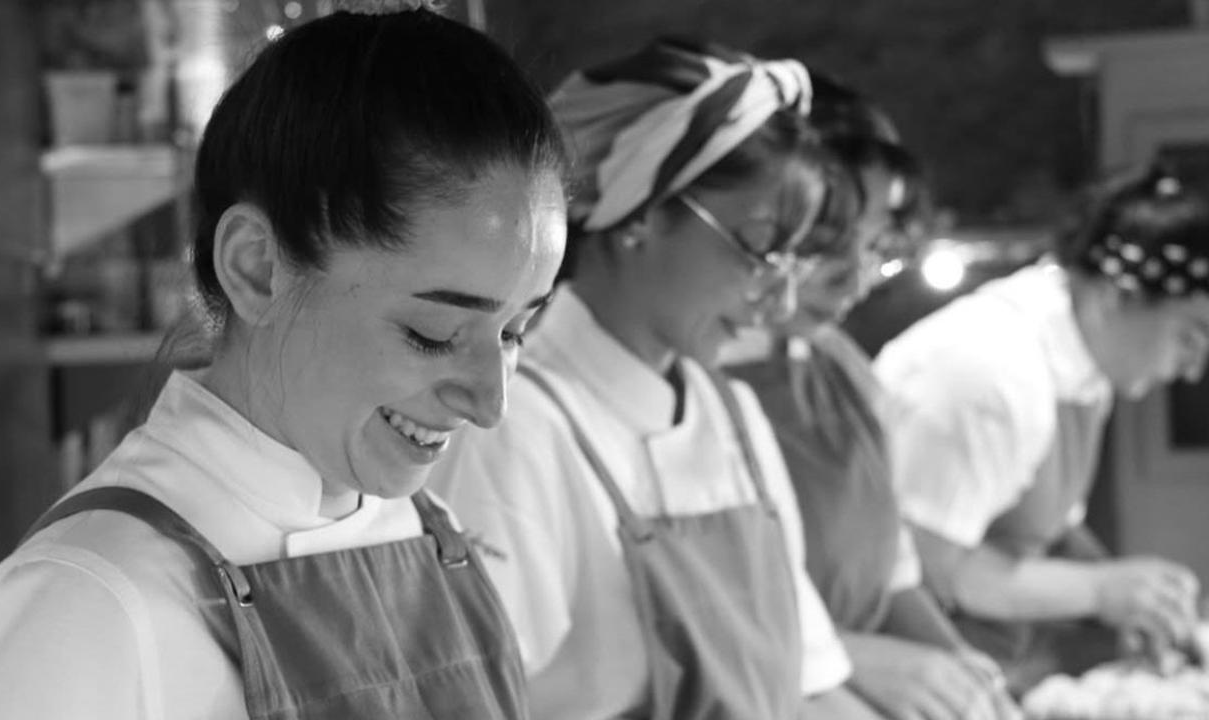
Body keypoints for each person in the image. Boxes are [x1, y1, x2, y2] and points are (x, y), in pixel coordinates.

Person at [0, 5, 568, 719]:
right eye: (433, 332)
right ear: (257, 268)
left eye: (515, 331)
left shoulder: (433, 536)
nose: (491, 404)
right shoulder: (82, 614)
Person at [430, 37, 882, 719]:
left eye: (793, 260)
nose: (779, 299)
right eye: (758, 249)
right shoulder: (515, 425)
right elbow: (483, 700)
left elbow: (803, 684)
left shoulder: (735, 416)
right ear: (641, 214)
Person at [726, 72, 1019, 720]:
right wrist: (841, 659)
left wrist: (965, 671)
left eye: (874, 244)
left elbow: (893, 570)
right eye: (828, 240)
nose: (855, 277)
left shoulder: (838, 367)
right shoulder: (695, 385)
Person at [875, 163, 1209, 693]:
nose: (1192, 369)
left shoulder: (1084, 367)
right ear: (1116, 296)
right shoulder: (990, 372)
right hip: (903, 671)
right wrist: (1100, 589)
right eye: (1191, 335)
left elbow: (1044, 531)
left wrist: (1141, 599)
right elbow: (929, 566)